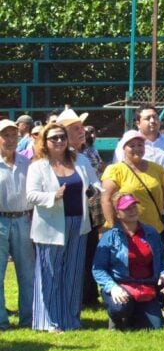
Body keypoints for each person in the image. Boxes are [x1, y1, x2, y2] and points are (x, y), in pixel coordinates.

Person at [26, 122, 101, 332]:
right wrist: (53, 196)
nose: (59, 141)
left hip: (79, 224)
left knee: (74, 274)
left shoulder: (81, 160)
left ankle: (71, 319)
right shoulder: (37, 166)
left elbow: (95, 183)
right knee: (50, 274)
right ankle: (50, 321)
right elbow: (30, 195)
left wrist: (95, 191)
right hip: (50, 227)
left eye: (62, 137)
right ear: (45, 142)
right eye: (54, 138)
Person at [92, 193, 164, 330]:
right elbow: (98, 268)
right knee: (120, 308)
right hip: (120, 286)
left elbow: (163, 256)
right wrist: (113, 287)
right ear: (117, 213)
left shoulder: (151, 232)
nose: (132, 210)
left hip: (145, 286)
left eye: (134, 206)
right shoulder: (109, 237)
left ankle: (134, 314)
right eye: (127, 208)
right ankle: (116, 316)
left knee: (156, 327)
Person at [57, 108, 106, 310]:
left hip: (86, 217)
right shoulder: (52, 159)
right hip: (60, 218)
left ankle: (87, 297)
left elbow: (96, 185)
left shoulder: (84, 158)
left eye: (81, 127)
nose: (82, 131)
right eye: (76, 128)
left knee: (87, 256)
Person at [101, 131, 164, 238]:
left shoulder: (157, 169)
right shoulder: (115, 170)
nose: (137, 148)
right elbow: (106, 200)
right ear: (124, 149)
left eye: (140, 145)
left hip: (155, 231)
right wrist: (113, 227)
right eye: (132, 146)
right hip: (127, 232)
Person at [0, 119, 33, 329]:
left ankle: (28, 319)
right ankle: (1, 321)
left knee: (27, 273)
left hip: (24, 219)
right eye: (6, 135)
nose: (10, 139)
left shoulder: (27, 162)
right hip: (0, 221)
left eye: (14, 135)